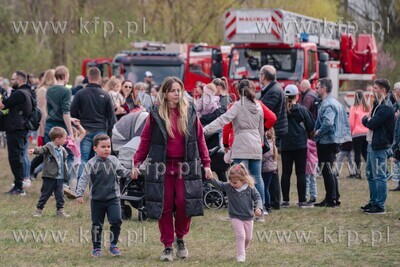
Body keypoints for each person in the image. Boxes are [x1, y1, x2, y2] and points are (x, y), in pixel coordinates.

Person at [132, 76, 212, 262]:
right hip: (162, 166)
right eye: (173, 91)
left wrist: (206, 164)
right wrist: (136, 162)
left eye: (179, 90)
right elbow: (145, 140)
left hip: (186, 166)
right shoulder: (155, 114)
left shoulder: (190, 111)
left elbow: (200, 139)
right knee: (165, 206)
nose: (177, 94)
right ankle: (167, 245)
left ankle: (180, 238)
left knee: (185, 203)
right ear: (166, 94)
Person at [204, 79, 265, 221]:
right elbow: (261, 128)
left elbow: (223, 120)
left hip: (242, 144)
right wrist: (259, 143)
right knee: (257, 179)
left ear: (238, 91)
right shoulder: (258, 105)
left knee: (239, 178)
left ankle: (240, 211)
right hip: (256, 143)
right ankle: (260, 212)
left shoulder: (238, 105)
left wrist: (205, 129)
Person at [75, 134, 133, 257]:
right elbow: (83, 178)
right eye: (103, 147)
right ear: (95, 148)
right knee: (97, 225)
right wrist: (79, 193)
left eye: (108, 146)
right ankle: (96, 247)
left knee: (117, 221)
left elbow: (122, 171)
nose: (107, 149)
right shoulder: (91, 163)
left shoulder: (114, 160)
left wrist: (131, 173)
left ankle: (113, 245)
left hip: (113, 198)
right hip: (97, 200)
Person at [205, 163, 262, 262]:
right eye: (231, 182)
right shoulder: (229, 187)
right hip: (235, 216)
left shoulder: (250, 187)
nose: (232, 184)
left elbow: (257, 198)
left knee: (248, 238)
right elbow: (219, 184)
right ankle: (241, 255)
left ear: (243, 180)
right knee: (241, 235)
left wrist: (258, 208)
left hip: (248, 217)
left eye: (235, 182)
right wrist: (210, 178)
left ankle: (242, 250)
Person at [70, 67, 116, 177]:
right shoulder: (105, 95)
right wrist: (110, 134)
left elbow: (73, 113)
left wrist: (76, 129)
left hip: (84, 130)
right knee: (100, 160)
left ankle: (77, 188)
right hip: (101, 130)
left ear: (88, 78)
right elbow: (111, 117)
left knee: (83, 158)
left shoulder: (80, 94)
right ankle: (98, 187)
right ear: (99, 78)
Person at [314, 78, 351, 207]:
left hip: (326, 141)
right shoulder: (335, 102)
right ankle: (334, 196)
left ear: (324, 88)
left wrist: (318, 132)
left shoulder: (327, 104)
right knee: (330, 169)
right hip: (334, 140)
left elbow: (328, 123)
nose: (316, 89)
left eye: (318, 87)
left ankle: (330, 199)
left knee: (326, 170)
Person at [361, 79, 394, 214]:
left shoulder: (386, 107)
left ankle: (380, 206)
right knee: (370, 174)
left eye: (375, 88)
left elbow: (371, 123)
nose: (372, 90)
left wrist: (367, 119)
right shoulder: (377, 104)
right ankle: (373, 201)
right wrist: (367, 119)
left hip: (379, 146)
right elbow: (366, 120)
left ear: (383, 90)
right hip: (371, 144)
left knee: (379, 176)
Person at [280, 84, 315, 208]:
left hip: (285, 145)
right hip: (300, 144)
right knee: (300, 173)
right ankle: (302, 201)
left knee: (286, 173)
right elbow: (311, 126)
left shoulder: (281, 111)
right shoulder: (302, 110)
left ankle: (285, 200)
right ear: (297, 96)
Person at [258, 65, 288, 210]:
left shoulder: (273, 91)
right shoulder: (274, 88)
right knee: (272, 168)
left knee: (270, 168)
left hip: (273, 132)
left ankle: (272, 201)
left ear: (264, 76)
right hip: (274, 131)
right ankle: (274, 200)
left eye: (260, 75)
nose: (259, 77)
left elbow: (263, 111)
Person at [1, 71, 33, 195]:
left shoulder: (19, 93)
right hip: (21, 129)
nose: (11, 81)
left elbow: (3, 105)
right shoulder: (28, 92)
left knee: (15, 158)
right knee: (18, 156)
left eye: (13, 79)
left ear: (19, 80)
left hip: (16, 129)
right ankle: (19, 186)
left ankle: (19, 188)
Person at [29, 127, 70, 217]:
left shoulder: (62, 149)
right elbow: (41, 149)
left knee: (60, 195)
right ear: (57, 139)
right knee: (45, 194)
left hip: (59, 177)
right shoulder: (49, 146)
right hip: (49, 176)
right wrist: (34, 150)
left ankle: (60, 211)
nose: (66, 140)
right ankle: (38, 210)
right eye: (64, 138)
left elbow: (64, 162)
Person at [30, 69, 55, 180]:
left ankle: (34, 171)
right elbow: (42, 111)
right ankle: (31, 171)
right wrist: (45, 126)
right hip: (44, 126)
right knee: (44, 151)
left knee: (47, 152)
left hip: (49, 125)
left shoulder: (49, 90)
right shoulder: (43, 90)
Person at [349, 90, 370, 178]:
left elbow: (351, 122)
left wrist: (351, 131)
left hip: (357, 134)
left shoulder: (354, 108)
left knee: (357, 154)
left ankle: (358, 173)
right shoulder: (368, 108)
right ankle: (369, 171)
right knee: (366, 153)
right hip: (366, 133)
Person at [261, 128, 278, 213]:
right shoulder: (272, 142)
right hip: (271, 168)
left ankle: (267, 204)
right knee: (266, 187)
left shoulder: (268, 144)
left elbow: (264, 156)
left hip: (266, 169)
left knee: (264, 187)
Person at [390, 82, 400, 191]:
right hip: (397, 133)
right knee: (397, 160)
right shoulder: (395, 103)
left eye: (395, 89)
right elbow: (391, 111)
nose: (394, 92)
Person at [306, 138, 318, 204]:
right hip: (315, 162)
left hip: (307, 162)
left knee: (306, 180)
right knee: (313, 180)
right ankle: (313, 196)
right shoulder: (317, 143)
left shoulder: (307, 142)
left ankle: (304, 196)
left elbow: (306, 153)